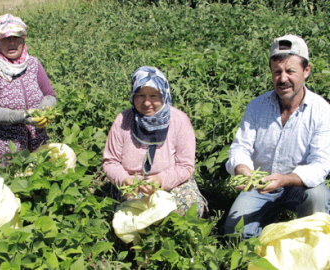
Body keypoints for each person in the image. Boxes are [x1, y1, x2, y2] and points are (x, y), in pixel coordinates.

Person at [224, 34, 330, 239]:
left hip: (299, 186)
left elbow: (321, 165)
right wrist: (244, 171)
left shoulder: (322, 111)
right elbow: (240, 148)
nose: (283, 79)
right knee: (234, 233)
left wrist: (284, 180)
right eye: (277, 72)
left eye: (290, 71)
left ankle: (308, 240)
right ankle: (273, 245)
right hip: (260, 185)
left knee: (317, 195)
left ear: (306, 70)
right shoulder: (257, 106)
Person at [103, 66, 208, 218]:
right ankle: (136, 241)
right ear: (133, 96)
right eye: (140, 95)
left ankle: (180, 239)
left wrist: (160, 180)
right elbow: (110, 162)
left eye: (153, 96)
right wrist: (124, 179)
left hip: (171, 182)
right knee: (133, 214)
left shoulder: (179, 121)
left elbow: (185, 166)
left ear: (164, 95)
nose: (146, 103)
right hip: (132, 185)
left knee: (189, 205)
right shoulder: (123, 120)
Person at [0, 14, 57, 160]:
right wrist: (22, 117)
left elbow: (49, 95)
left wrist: (45, 110)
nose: (11, 42)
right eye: (5, 38)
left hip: (38, 146)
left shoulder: (33, 64)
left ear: (23, 39)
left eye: (16, 37)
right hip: (6, 151)